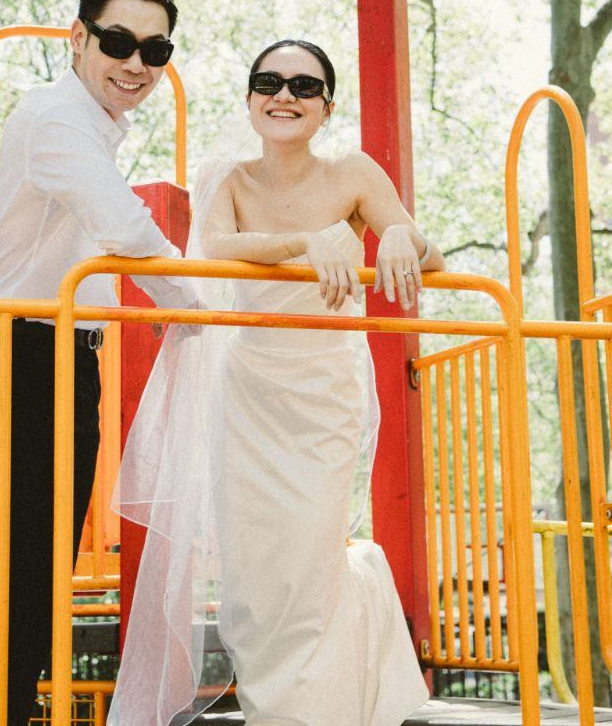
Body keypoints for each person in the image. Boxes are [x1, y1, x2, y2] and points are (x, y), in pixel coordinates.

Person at [111, 39, 443, 726]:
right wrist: (305, 241)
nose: (284, 95)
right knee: (255, 565)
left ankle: (320, 709)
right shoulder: (226, 177)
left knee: (310, 554)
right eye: (269, 82)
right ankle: (276, 705)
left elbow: (422, 249)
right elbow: (216, 247)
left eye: (303, 85)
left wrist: (402, 237)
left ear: (327, 106)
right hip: (248, 390)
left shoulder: (354, 172)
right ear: (250, 98)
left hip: (323, 390)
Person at [0, 0, 198, 726]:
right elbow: (125, 226)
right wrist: (201, 305)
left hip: (57, 358)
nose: (136, 63)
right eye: (119, 41)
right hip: (22, 356)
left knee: (40, 566)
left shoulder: (88, 125)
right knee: (35, 564)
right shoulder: (57, 118)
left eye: (156, 50)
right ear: (79, 38)